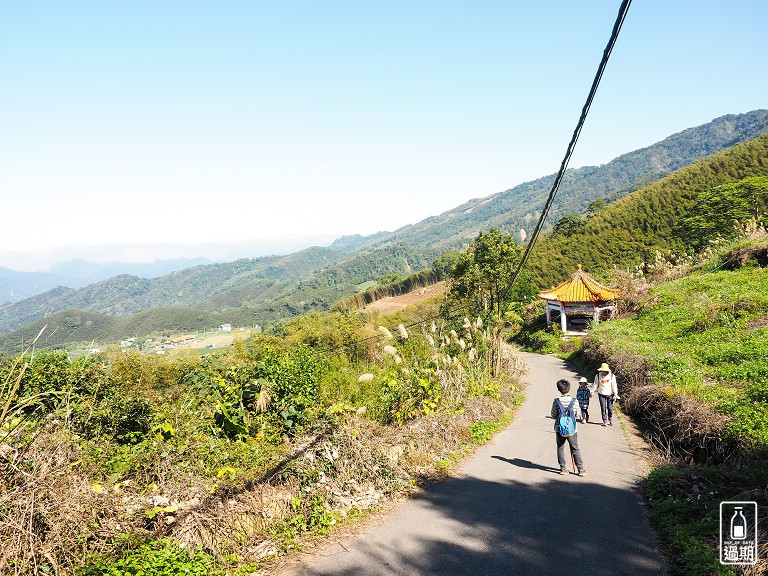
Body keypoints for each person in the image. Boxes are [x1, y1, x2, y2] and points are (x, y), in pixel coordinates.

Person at [550, 379, 586, 475]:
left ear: (559, 389)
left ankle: (563, 468)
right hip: (572, 429)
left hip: (559, 428)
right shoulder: (574, 401)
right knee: (575, 448)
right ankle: (581, 469)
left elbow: (553, 415)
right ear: (569, 389)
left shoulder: (556, 401)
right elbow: (578, 415)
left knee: (560, 448)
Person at [591, 362, 620, 426]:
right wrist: (592, 391)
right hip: (601, 394)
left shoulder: (612, 376)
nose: (604, 372)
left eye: (605, 371)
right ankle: (604, 420)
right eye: (603, 370)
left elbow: (614, 385)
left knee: (610, 408)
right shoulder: (598, 376)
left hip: (610, 394)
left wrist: (615, 394)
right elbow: (595, 384)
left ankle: (610, 417)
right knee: (603, 408)